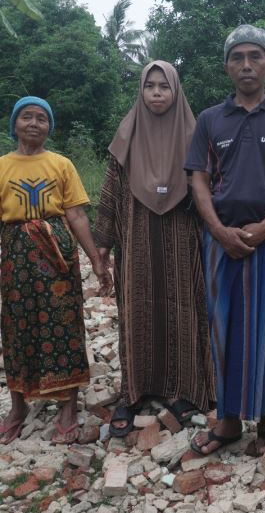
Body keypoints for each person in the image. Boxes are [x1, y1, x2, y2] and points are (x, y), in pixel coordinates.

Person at [185, 24, 265, 456]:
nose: (246, 64)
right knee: (224, 328)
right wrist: (219, 230)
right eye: (238, 57)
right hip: (221, 243)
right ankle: (227, 421)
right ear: (226, 66)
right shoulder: (209, 120)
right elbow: (199, 179)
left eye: (255, 56)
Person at [0, 96, 112, 445]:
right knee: (17, 326)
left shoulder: (61, 165)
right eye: (27, 117)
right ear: (14, 124)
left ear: (50, 127)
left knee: (64, 323)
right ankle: (18, 406)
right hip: (17, 254)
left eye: (42, 119)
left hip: (57, 252)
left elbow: (77, 215)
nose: (34, 124)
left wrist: (96, 259)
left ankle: (68, 406)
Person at [94, 61, 215, 437]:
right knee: (137, 311)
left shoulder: (195, 136)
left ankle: (185, 390)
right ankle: (133, 392)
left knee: (184, 310)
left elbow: (210, 190)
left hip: (183, 242)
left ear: (176, 91)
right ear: (141, 92)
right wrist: (101, 243)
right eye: (151, 86)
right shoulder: (127, 136)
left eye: (165, 86)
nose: (158, 93)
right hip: (136, 243)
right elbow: (111, 191)